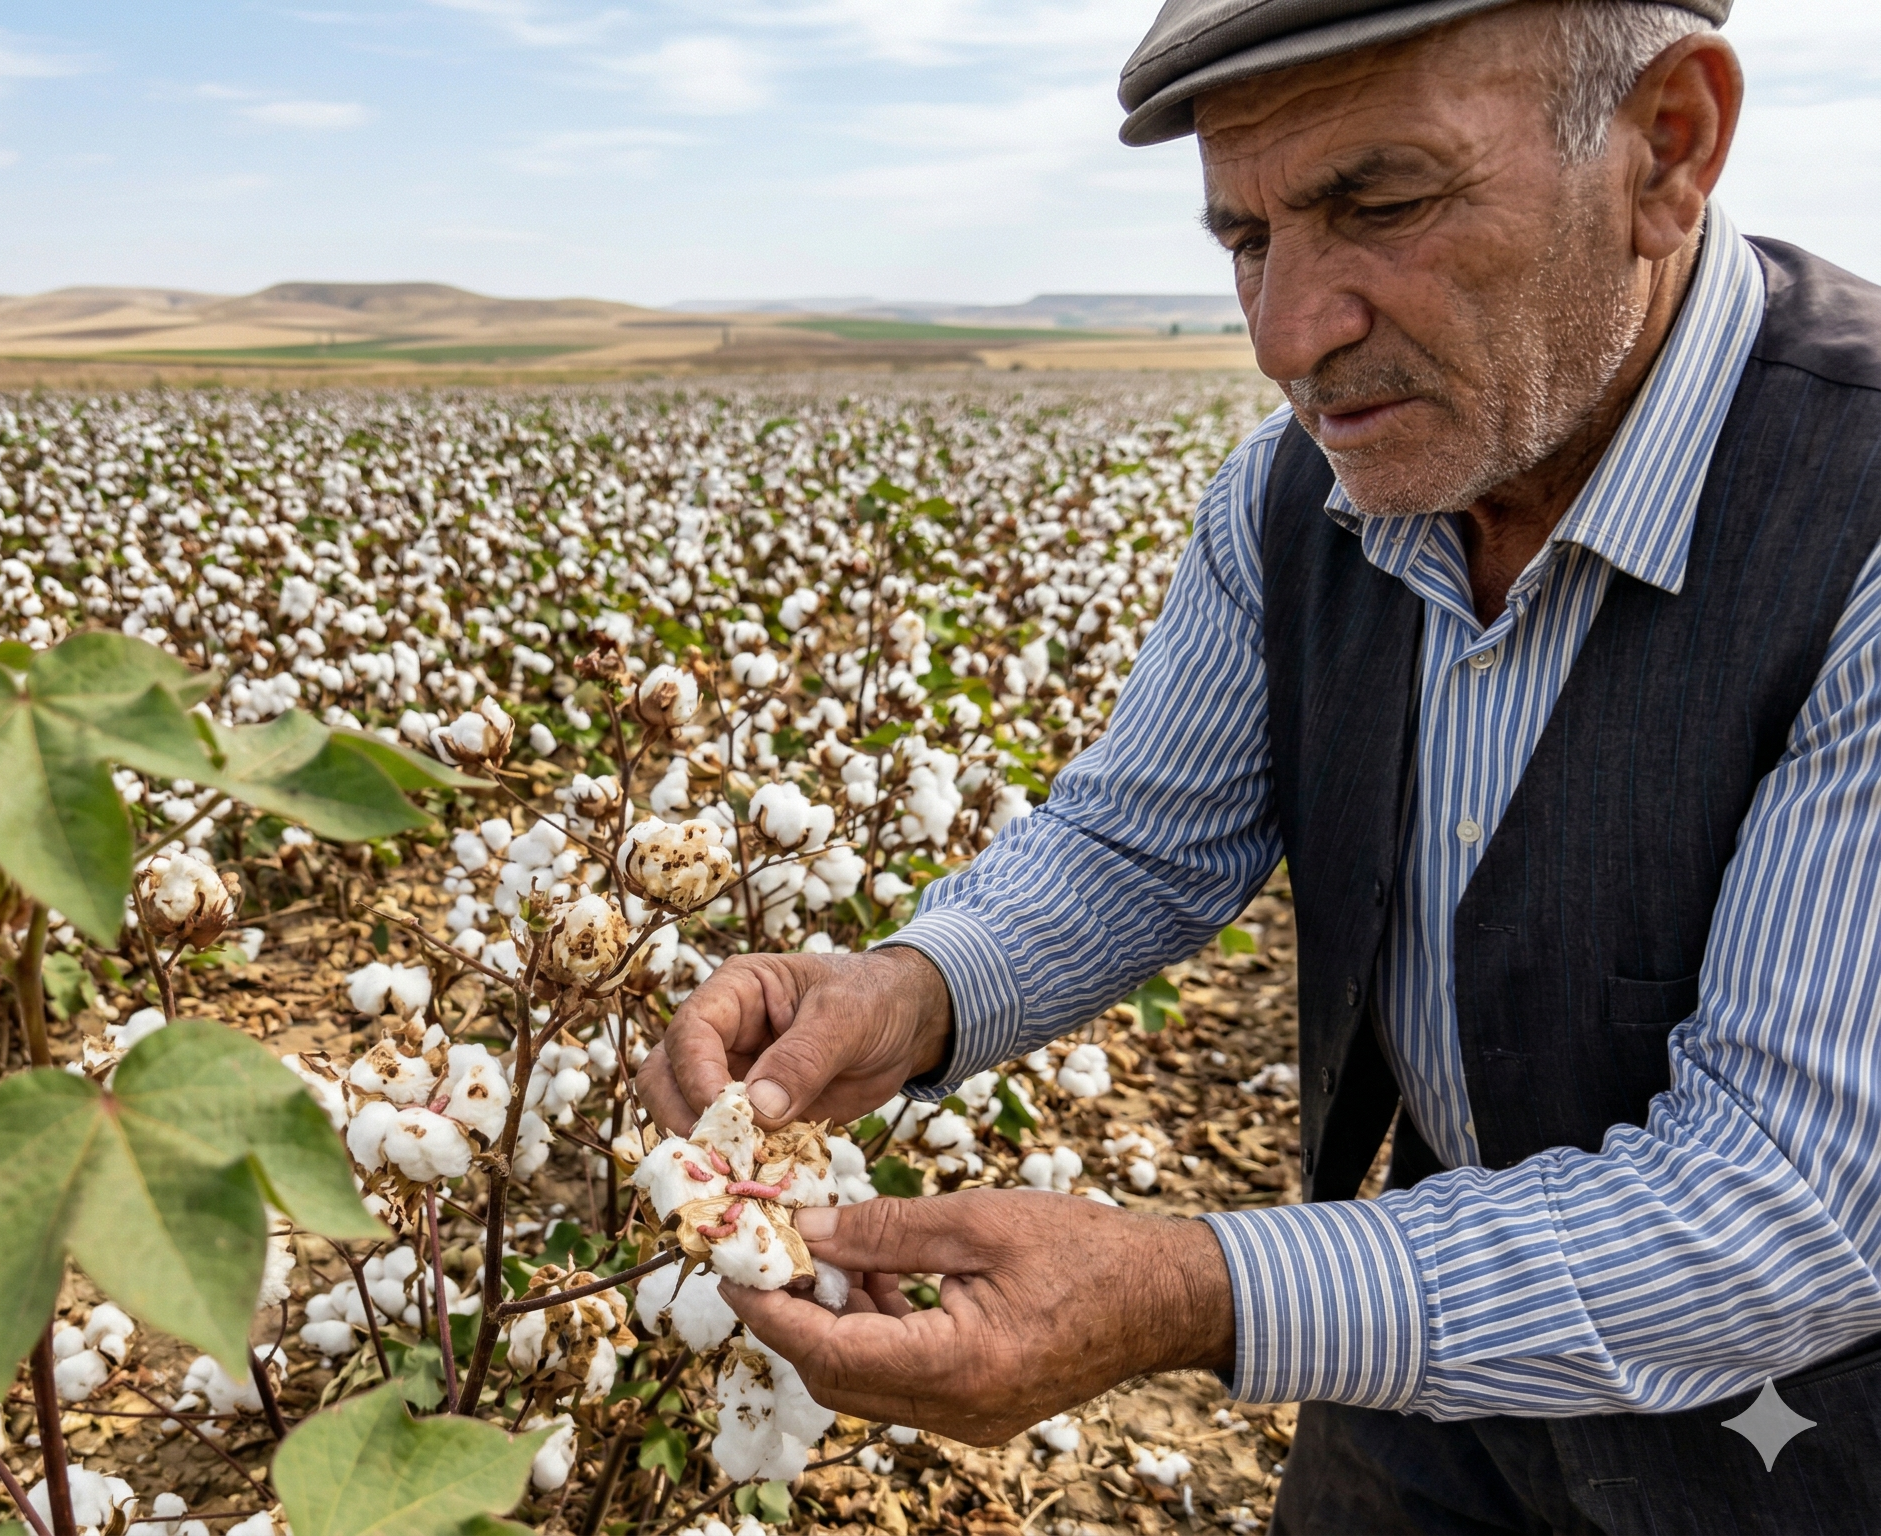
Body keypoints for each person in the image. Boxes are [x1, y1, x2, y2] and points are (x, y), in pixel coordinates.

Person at [640, 0, 1881, 1528]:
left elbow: (1786, 1206)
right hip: (1438, 1364)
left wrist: (1186, 1289)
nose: (1291, 336)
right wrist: (912, 990)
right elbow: (1144, 839)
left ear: (1666, 147)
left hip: (1801, 1434)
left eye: (1384, 203)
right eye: (1247, 239)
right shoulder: (1300, 496)